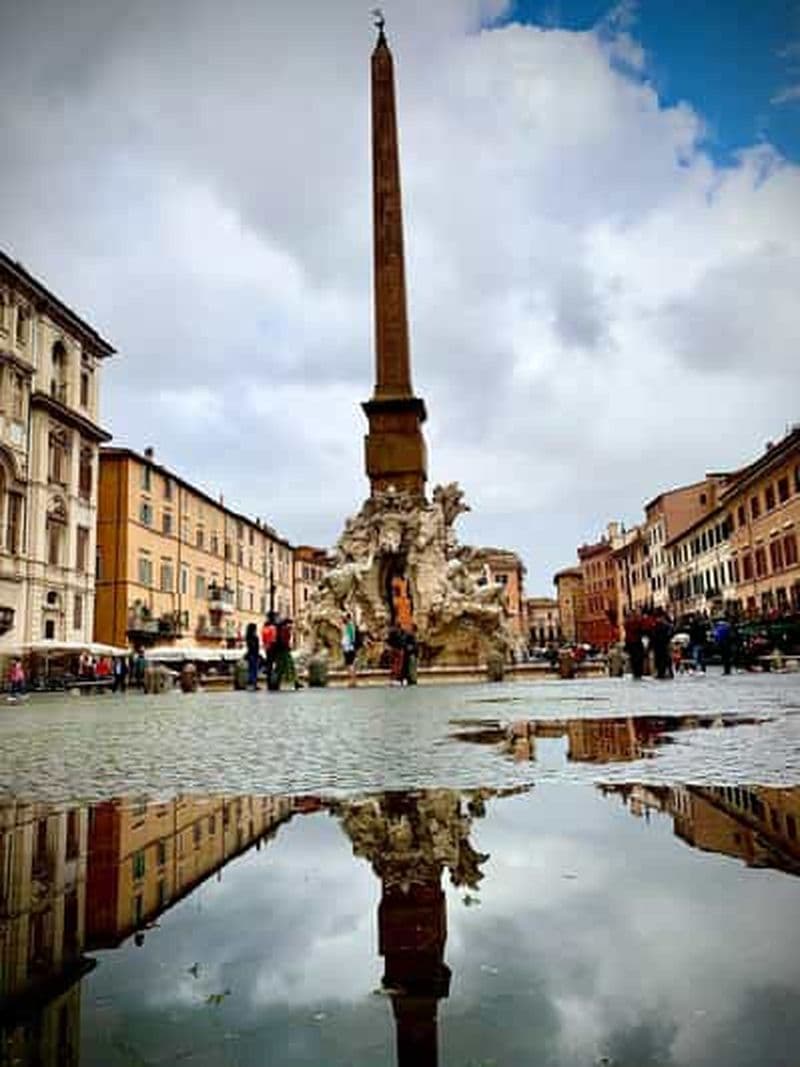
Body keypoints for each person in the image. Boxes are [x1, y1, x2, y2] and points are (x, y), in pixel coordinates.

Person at [276, 617, 300, 690]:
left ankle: (295, 682)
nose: (292, 626)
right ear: (287, 624)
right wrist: (287, 646)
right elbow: (283, 640)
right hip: (284, 651)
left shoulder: (282, 629)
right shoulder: (284, 630)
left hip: (282, 650)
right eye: (290, 624)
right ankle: (294, 682)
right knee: (289, 666)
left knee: (282, 667)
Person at [651, 609, 673, 680]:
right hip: (659, 646)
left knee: (664, 659)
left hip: (663, 645)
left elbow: (669, 634)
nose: (658, 619)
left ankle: (665, 672)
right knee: (660, 660)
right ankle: (661, 673)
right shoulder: (656, 626)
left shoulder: (665, 626)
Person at [624, 611, 645, 680]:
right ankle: (638, 672)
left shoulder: (627, 623)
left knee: (635, 659)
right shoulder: (633, 623)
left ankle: (637, 672)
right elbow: (640, 629)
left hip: (632, 643)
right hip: (635, 642)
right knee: (637, 659)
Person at [261, 613, 278, 691]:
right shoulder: (273, 628)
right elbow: (274, 639)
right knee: (274, 666)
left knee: (269, 666)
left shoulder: (264, 628)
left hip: (267, 648)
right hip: (273, 648)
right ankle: (274, 682)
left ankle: (269, 682)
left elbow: (263, 639)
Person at [341, 612, 358, 687]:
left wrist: (348, 645)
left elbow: (351, 638)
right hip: (348, 647)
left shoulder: (349, 626)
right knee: (351, 664)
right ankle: (353, 680)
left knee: (349, 664)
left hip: (348, 648)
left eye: (343, 617)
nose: (342, 619)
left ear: (347, 618)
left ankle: (352, 681)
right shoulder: (349, 626)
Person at [245, 621, 260, 690]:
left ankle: (250, 683)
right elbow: (255, 647)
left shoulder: (248, 636)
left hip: (250, 655)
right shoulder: (254, 637)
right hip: (254, 655)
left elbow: (250, 646)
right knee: (254, 670)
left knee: (250, 670)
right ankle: (254, 684)